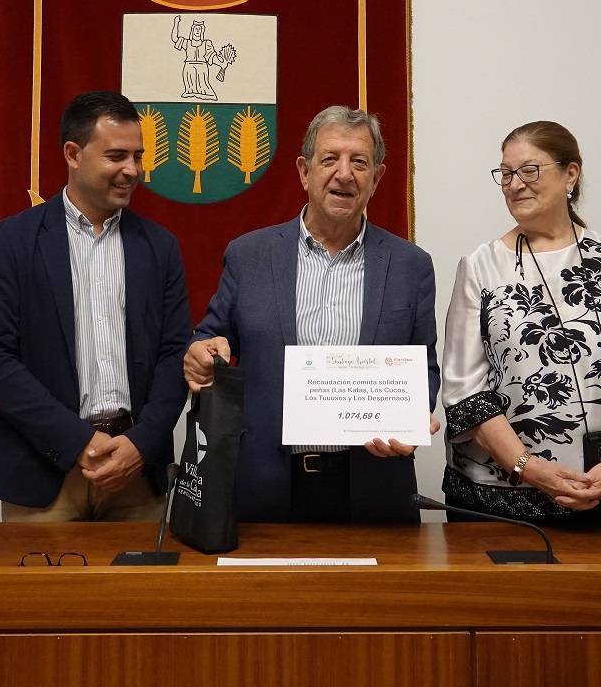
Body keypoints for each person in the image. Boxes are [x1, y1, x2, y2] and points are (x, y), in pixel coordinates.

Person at [184, 106, 440, 523]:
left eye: (360, 162)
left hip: (373, 485)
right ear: (305, 172)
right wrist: (199, 350)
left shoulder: (410, 265)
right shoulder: (250, 255)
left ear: (377, 178)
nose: (344, 174)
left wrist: (409, 419)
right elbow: (209, 335)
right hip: (265, 484)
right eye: (329, 159)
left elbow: (424, 365)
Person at [0, 91, 191, 521]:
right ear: (73, 153)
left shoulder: (159, 248)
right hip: (43, 475)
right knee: (40, 592)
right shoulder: (12, 243)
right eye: (116, 156)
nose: (133, 170)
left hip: (136, 477)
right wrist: (77, 441)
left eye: (138, 156)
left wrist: (141, 444)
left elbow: (174, 354)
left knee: (143, 592)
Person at [441, 121, 601, 524]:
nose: (515, 184)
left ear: (571, 173)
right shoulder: (481, 267)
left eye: (529, 170)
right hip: (500, 504)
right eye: (506, 174)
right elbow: (465, 394)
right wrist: (532, 470)